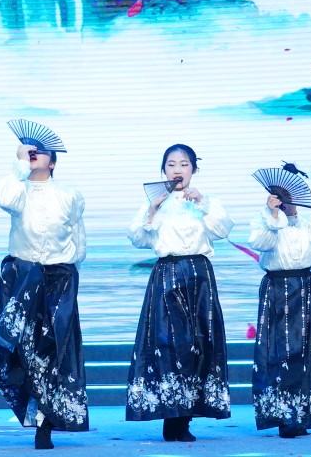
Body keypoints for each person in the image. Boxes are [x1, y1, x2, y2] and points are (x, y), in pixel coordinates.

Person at [125, 144, 233, 443]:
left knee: (198, 343)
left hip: (199, 275)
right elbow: (137, 239)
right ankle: (171, 415)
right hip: (167, 273)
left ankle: (185, 418)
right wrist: (152, 211)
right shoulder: (155, 202)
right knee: (168, 343)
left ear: (193, 169)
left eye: (184, 164)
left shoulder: (206, 202)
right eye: (171, 164)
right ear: (163, 170)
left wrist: (203, 203)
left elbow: (222, 230)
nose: (177, 170)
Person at [0, 137, 88, 450]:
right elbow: (4, 198)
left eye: (40, 151)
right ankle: (30, 409)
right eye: (29, 150)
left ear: (54, 161)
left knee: (53, 349)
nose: (33, 154)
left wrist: (69, 276)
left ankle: (45, 425)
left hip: (59, 278)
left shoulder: (70, 195)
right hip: (23, 279)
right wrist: (20, 163)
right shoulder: (16, 188)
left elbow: (78, 242)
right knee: (21, 348)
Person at [246, 165, 311, 438]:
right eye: (279, 194)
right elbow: (260, 244)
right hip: (277, 288)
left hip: (305, 287)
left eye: (289, 195)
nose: (285, 199)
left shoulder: (310, 222)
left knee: (308, 351)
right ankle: (284, 415)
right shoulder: (263, 220)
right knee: (280, 352)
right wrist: (273, 215)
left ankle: (303, 413)